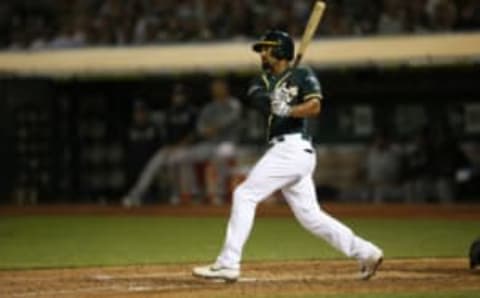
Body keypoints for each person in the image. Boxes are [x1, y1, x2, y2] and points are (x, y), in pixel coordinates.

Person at [193, 29, 383, 282]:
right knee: (311, 217)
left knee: (244, 194)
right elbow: (260, 100)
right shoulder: (261, 81)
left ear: (280, 51)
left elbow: (315, 106)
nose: (262, 52)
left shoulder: (303, 75)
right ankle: (367, 252)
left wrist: (291, 108)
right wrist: (277, 100)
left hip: (293, 150)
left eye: (267, 48)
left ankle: (228, 263)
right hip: (287, 152)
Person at [122, 84, 197, 207]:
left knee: (174, 161)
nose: (178, 98)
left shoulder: (191, 111)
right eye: (176, 95)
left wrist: (179, 146)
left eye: (180, 95)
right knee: (151, 166)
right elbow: (165, 133)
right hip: (170, 148)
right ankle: (135, 195)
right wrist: (168, 146)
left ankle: (177, 194)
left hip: (187, 148)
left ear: (186, 97)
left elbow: (194, 133)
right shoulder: (169, 112)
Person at [189, 78, 242, 205]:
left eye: (219, 87)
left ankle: (219, 194)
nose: (217, 90)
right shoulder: (210, 106)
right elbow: (200, 125)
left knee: (219, 156)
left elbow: (231, 119)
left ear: (225, 88)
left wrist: (214, 127)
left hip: (229, 142)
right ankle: (196, 192)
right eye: (215, 87)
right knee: (189, 156)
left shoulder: (233, 103)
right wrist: (204, 131)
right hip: (211, 143)